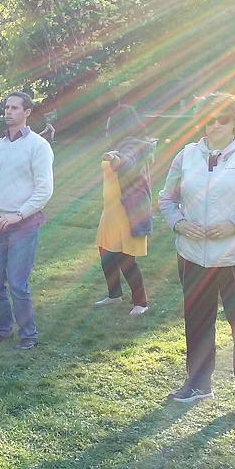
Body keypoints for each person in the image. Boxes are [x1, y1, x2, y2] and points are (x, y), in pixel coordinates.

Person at [159, 92, 235, 418]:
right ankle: (198, 383)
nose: (214, 125)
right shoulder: (186, 156)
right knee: (197, 322)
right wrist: (180, 224)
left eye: (222, 119)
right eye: (208, 119)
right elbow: (167, 199)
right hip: (193, 256)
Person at [0, 92, 54, 350]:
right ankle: (3, 329)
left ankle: (28, 334)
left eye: (14, 107)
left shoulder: (38, 146)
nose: (8, 112)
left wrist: (19, 214)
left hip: (24, 224)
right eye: (6, 107)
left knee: (18, 284)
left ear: (27, 112)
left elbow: (44, 190)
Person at [94, 104, 153, 316]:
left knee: (126, 258)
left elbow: (127, 161)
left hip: (126, 210)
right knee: (106, 254)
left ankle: (141, 302)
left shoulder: (134, 145)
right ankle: (114, 295)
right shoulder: (122, 144)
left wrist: (115, 159)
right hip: (111, 209)